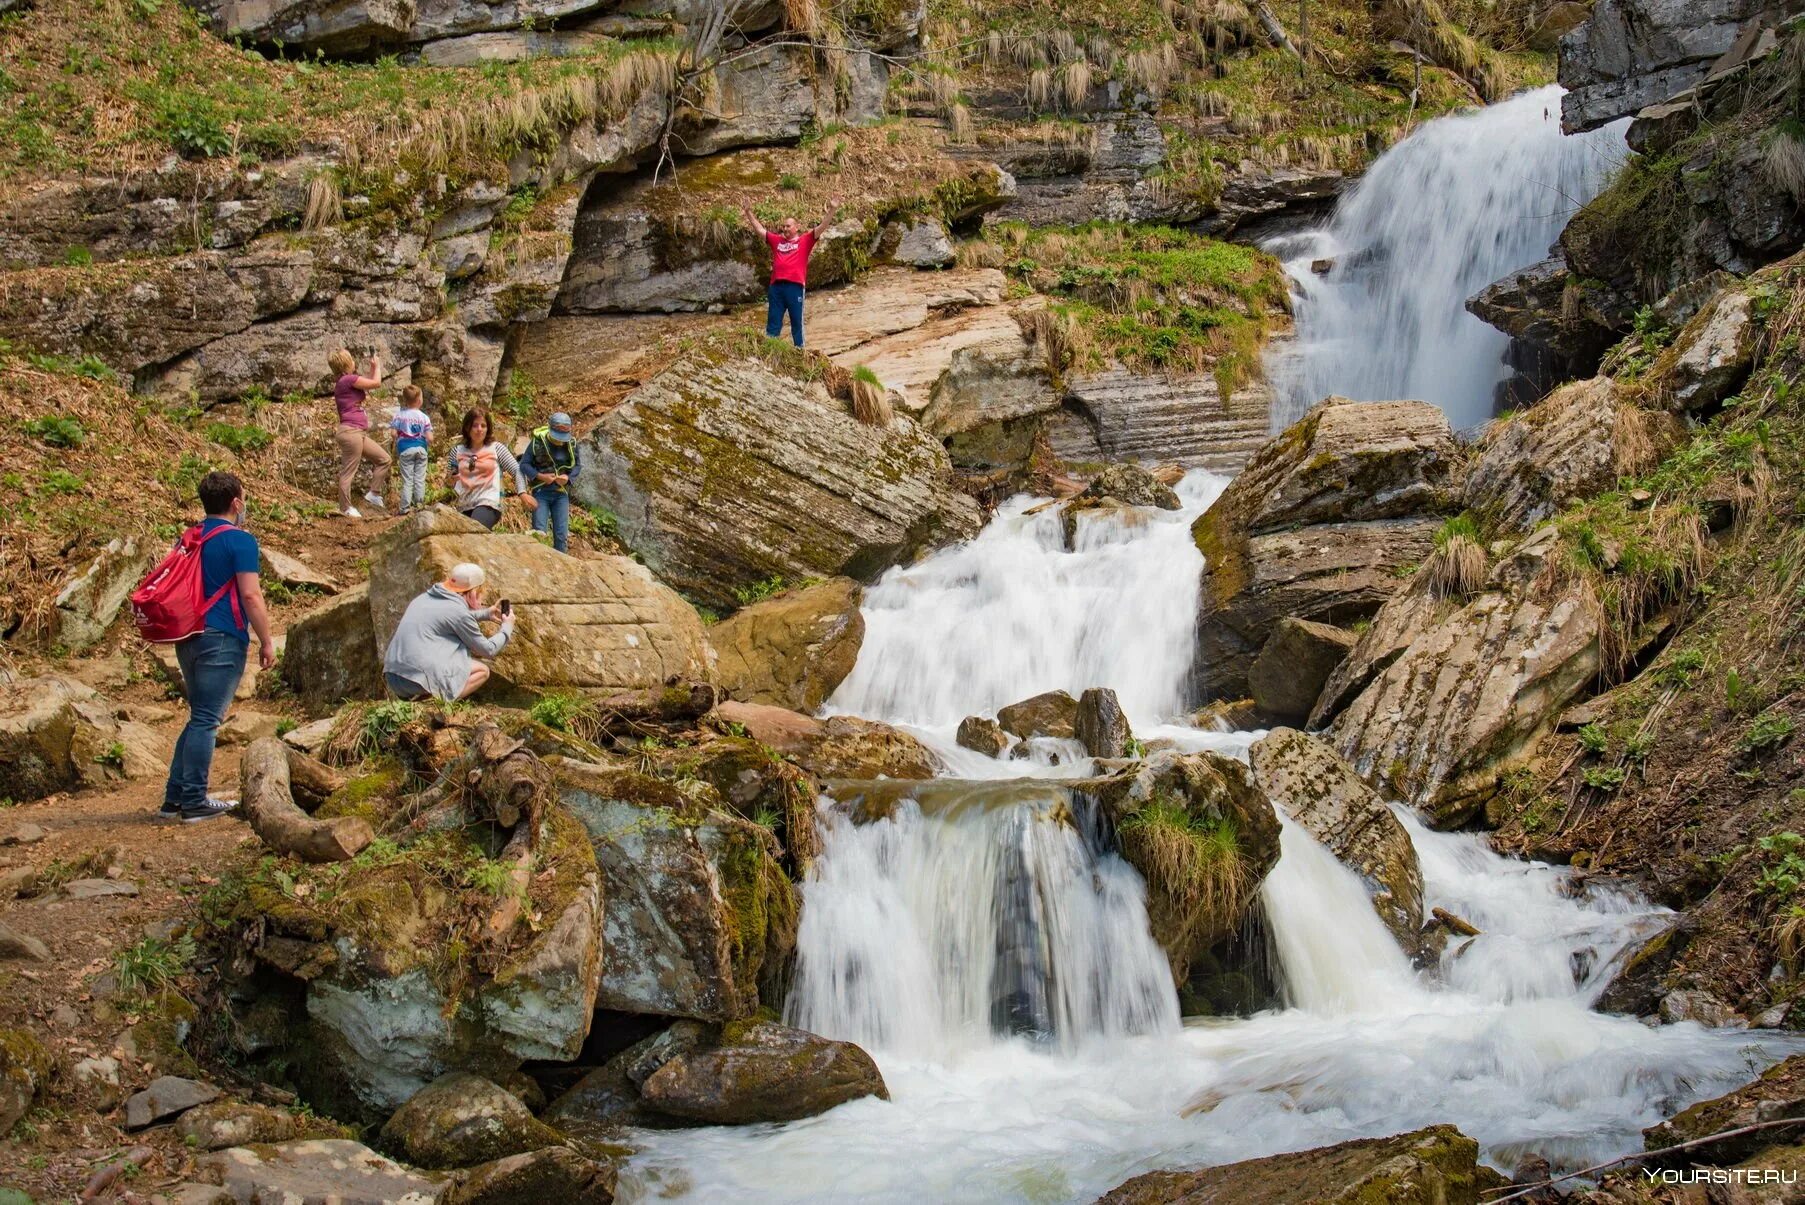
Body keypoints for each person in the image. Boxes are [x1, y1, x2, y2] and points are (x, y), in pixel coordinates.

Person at [159, 471, 276, 823]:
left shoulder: (191, 536)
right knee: (207, 720)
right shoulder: (240, 541)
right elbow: (251, 595)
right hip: (222, 636)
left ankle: (174, 799)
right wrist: (267, 640)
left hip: (188, 635)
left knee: (198, 717)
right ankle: (194, 801)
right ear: (236, 503)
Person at [383, 562, 516, 702]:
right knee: (481, 670)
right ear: (473, 592)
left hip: (393, 677)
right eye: (480, 593)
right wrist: (507, 627)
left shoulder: (423, 598)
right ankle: (436, 703)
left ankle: (420, 702)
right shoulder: (459, 613)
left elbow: (447, 618)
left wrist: (485, 614)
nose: (481, 598)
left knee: (448, 645)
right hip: (415, 680)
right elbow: (488, 650)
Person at [740, 200, 838, 348]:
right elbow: (760, 230)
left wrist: (832, 209)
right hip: (776, 288)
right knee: (773, 322)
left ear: (796, 227)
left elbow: (822, 226)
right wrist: (748, 212)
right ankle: (770, 349)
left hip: (795, 287)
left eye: (788, 226)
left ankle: (799, 351)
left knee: (796, 322)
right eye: (783, 226)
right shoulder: (777, 240)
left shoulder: (805, 240)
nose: (785, 229)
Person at [328, 347, 392, 519]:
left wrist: (372, 368)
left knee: (384, 459)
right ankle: (345, 507)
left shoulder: (345, 381)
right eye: (352, 360)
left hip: (358, 433)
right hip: (351, 432)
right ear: (348, 363)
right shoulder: (348, 379)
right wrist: (377, 366)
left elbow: (369, 382)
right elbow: (376, 383)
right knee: (348, 471)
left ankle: (374, 493)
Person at [446, 408, 529, 530]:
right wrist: (451, 480)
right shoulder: (456, 451)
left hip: (490, 503)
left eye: (483, 426)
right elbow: (448, 482)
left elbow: (517, 470)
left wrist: (522, 493)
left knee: (474, 530)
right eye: (475, 425)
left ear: (488, 429)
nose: (479, 429)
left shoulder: (496, 448)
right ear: (467, 428)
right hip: (464, 505)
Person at [519, 411, 579, 554]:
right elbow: (524, 465)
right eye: (557, 438)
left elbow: (577, 466)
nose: (560, 441)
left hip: (560, 494)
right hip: (541, 493)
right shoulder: (537, 442)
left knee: (561, 534)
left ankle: (561, 564)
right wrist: (540, 476)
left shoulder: (571, 444)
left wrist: (568, 478)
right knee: (539, 532)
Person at [389, 385, 434, 515]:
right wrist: (427, 442)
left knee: (407, 480)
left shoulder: (399, 416)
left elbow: (393, 433)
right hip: (421, 449)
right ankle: (419, 505)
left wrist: (397, 438)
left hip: (405, 450)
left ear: (405, 400)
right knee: (419, 478)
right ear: (419, 400)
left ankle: (404, 508)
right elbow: (430, 437)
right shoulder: (424, 417)